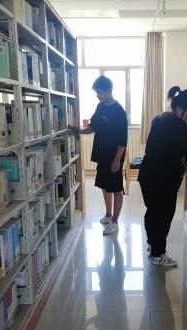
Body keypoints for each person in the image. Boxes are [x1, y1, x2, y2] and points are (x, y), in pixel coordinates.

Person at [138, 86, 187, 267]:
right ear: (182, 109)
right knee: (163, 216)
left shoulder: (161, 118)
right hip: (162, 180)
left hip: (149, 175)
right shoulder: (177, 126)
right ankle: (158, 254)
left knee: (153, 213)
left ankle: (153, 245)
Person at [78, 76, 128, 235]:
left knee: (116, 188)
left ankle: (115, 222)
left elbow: (123, 140)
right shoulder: (100, 107)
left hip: (114, 156)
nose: (97, 96)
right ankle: (108, 215)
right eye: (96, 93)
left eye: (99, 92)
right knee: (105, 186)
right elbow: (92, 127)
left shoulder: (119, 111)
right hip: (102, 155)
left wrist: (117, 160)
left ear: (109, 91)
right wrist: (78, 130)